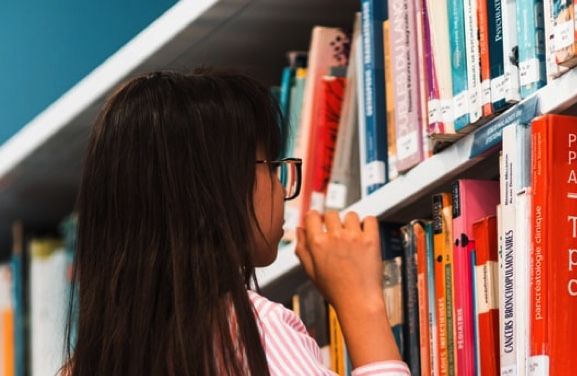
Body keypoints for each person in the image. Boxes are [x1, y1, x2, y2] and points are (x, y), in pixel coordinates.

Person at [63, 69, 410, 375]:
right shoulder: (251, 336)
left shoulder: (85, 365)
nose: (280, 187)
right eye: (271, 166)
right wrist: (362, 305)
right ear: (215, 190)